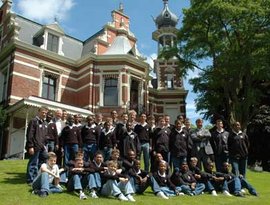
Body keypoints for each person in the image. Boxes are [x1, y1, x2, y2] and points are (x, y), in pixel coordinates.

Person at [26, 106, 49, 185]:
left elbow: (45, 135)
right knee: (33, 163)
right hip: (35, 147)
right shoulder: (33, 121)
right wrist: (30, 146)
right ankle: (30, 180)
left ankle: (37, 178)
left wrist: (45, 143)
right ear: (39, 112)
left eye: (46, 113)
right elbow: (29, 134)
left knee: (42, 163)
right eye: (43, 112)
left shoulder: (45, 123)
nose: (44, 114)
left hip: (42, 147)